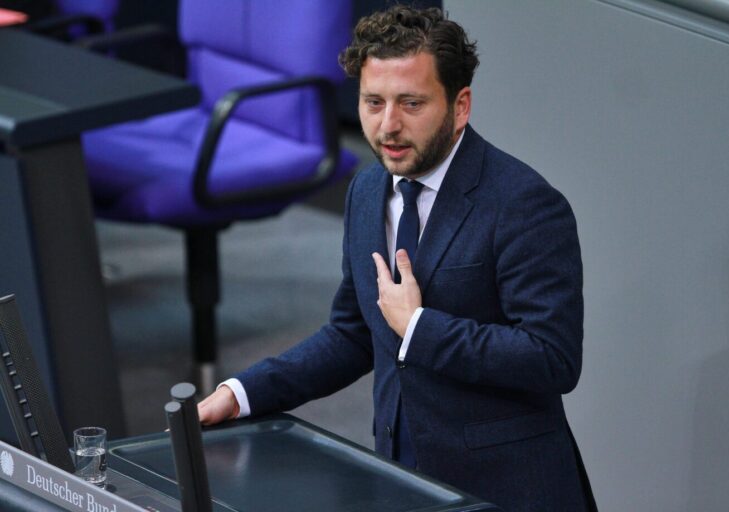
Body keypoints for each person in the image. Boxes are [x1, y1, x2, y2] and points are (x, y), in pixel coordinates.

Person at [198, 5, 596, 511]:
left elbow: (552, 358)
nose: (388, 126)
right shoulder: (367, 190)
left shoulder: (524, 205)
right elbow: (355, 332)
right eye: (373, 103)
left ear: (460, 106)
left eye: (411, 103)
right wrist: (244, 391)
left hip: (506, 492)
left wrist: (421, 327)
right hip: (400, 481)